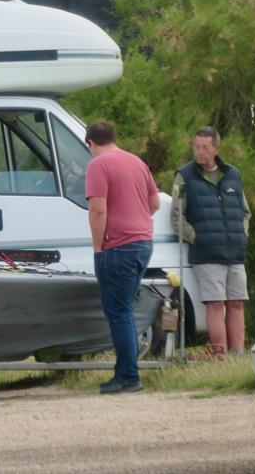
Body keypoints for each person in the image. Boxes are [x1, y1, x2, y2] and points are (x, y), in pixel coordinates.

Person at [85, 121, 160, 394]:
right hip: (143, 242)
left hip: (117, 246)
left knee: (119, 312)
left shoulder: (98, 165)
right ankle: (125, 371)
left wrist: (98, 247)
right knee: (125, 308)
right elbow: (155, 204)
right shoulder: (136, 162)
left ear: (91, 143)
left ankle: (128, 374)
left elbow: (97, 210)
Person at [171, 126, 250, 361]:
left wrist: (242, 234)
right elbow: (176, 217)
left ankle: (238, 356)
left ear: (216, 148)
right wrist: (196, 237)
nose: (200, 152)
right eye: (196, 147)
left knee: (236, 303)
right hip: (206, 253)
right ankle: (220, 356)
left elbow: (245, 212)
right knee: (215, 304)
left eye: (205, 147)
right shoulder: (184, 176)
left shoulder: (233, 174)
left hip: (235, 251)